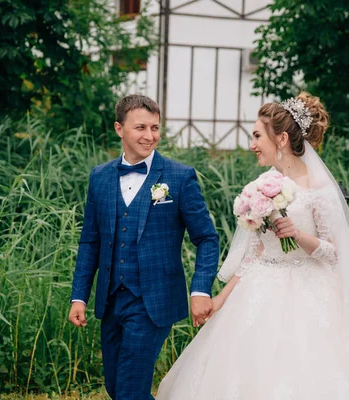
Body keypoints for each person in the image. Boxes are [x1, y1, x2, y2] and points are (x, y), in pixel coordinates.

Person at [156, 92, 349, 399]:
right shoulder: (259, 187)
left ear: (280, 138)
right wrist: (219, 302)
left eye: (257, 136)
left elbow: (335, 252)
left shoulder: (320, 189)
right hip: (259, 290)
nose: (252, 144)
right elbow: (253, 256)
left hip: (311, 291)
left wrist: (298, 235)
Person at [68, 94, 219, 400]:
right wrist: (78, 297)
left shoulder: (179, 177)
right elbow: (90, 242)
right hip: (111, 300)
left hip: (153, 302)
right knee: (116, 387)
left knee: (129, 390)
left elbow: (207, 238)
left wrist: (200, 289)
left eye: (155, 128)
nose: (150, 136)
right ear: (119, 128)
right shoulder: (99, 177)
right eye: (140, 127)